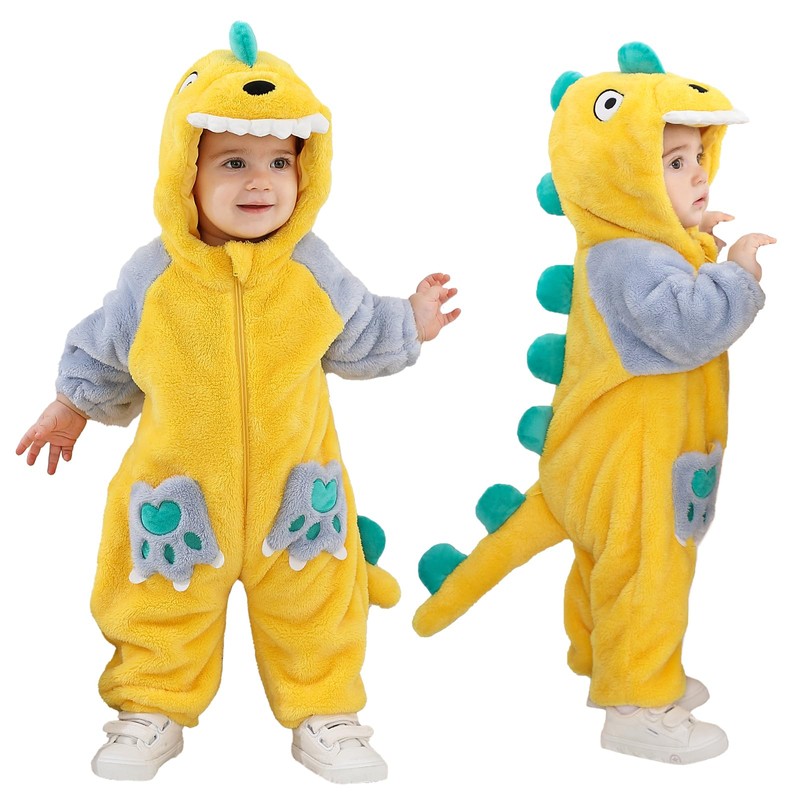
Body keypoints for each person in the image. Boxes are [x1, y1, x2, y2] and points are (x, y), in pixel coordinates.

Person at [16, 22, 458, 784]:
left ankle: (324, 709)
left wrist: (409, 322)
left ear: (306, 170)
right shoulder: (156, 277)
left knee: (316, 604)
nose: (261, 182)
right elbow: (105, 346)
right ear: (184, 170)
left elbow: (357, 331)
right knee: (159, 604)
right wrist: (71, 406)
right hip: (180, 498)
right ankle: (150, 705)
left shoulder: (311, 269)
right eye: (233, 162)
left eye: (280, 162)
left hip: (300, 498)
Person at [412, 42, 773, 765]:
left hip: (603, 461)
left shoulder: (634, 248)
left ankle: (604, 658)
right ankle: (636, 702)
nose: (698, 172)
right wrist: (736, 275)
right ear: (623, 177)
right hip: (628, 467)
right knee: (648, 575)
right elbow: (690, 327)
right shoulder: (627, 258)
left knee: (605, 566)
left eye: (697, 155)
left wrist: (697, 242)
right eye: (672, 162)